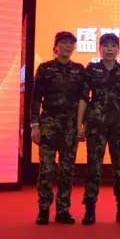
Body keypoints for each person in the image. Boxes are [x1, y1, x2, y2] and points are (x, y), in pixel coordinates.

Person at [77, 33, 120, 225]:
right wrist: (80, 124)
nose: (109, 49)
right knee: (93, 168)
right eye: (106, 45)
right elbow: (83, 98)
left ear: (118, 49)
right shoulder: (92, 69)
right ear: (100, 48)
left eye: (113, 46)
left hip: (118, 125)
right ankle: (89, 210)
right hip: (95, 124)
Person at [30, 31, 85, 225]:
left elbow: (83, 99)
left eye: (71, 43)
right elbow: (36, 98)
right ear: (56, 47)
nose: (68, 46)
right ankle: (43, 209)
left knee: (67, 170)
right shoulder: (45, 68)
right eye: (64, 43)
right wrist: (34, 124)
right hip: (49, 125)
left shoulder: (79, 70)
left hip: (70, 127)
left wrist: (81, 125)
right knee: (46, 169)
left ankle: (63, 210)